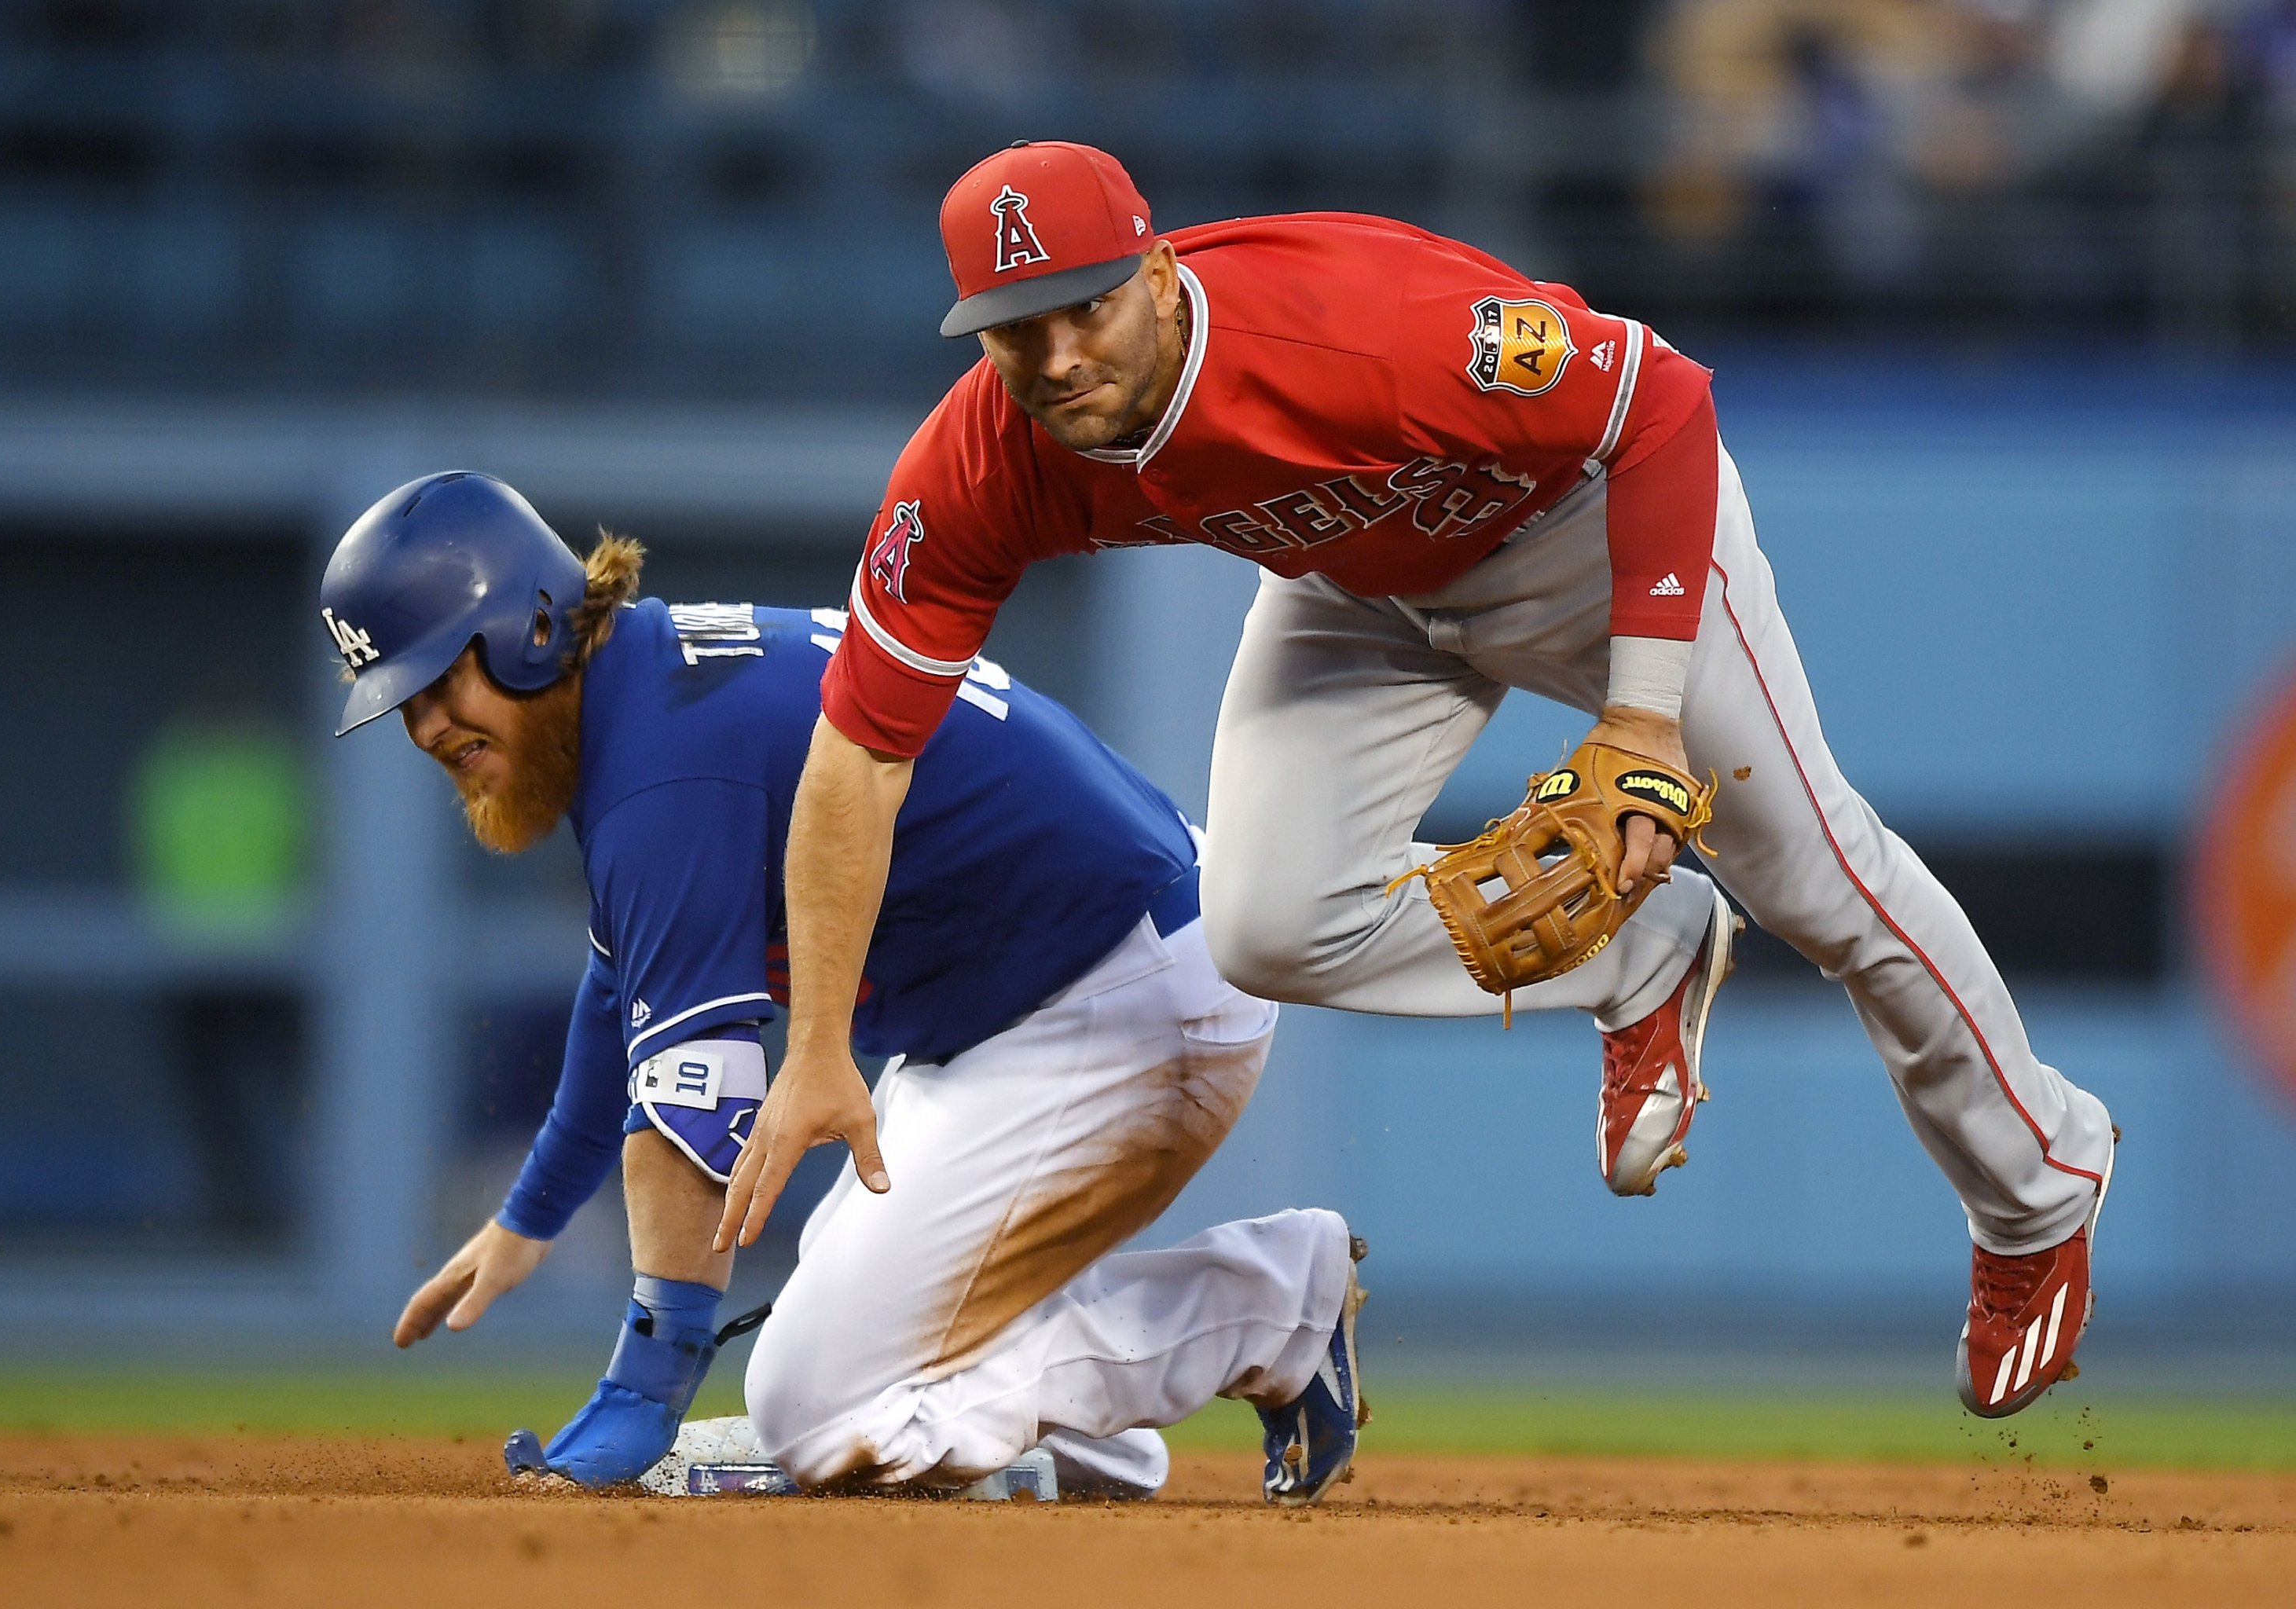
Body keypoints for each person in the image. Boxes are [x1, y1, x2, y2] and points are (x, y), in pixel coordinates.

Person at [727, 141, 2117, 1420]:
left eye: (1087, 305)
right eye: (1015, 328)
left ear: (1157, 274)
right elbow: (859, 749)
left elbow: (1660, 403)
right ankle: (1644, 952)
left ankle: (2037, 1180)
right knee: (1264, 920)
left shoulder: (1353, 330)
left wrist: (1640, 731)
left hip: (1581, 527)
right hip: (1361, 581)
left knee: (1820, 879)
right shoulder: (985, 459)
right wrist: (816, 1045)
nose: (1058, 351)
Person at [319, 471, 1365, 1504]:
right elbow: (617, 995)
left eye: (439, 681)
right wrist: (531, 1216)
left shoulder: (661, 763)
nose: (424, 730)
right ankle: (1053, 1433)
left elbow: (691, 1113)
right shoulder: (647, 698)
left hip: (1120, 996)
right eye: (402, 701)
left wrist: (644, 1387)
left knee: (819, 1406)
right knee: (864, 1345)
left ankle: (1268, 1309)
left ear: (532, 626)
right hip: (1051, 991)